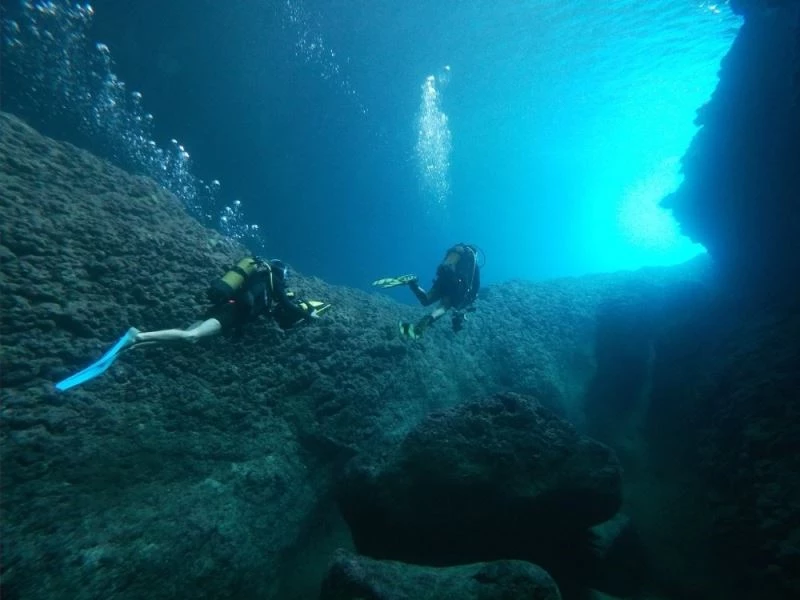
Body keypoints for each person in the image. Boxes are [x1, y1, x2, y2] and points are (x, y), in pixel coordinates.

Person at [55, 257, 328, 391]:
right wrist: (309, 316)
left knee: (185, 337)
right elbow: (286, 304)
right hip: (230, 312)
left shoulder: (258, 279)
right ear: (281, 272)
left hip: (227, 309)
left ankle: (133, 346)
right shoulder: (272, 280)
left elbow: (258, 306)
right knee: (192, 337)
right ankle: (136, 336)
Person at [374, 243, 481, 339]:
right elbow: (475, 286)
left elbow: (444, 266)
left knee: (426, 300)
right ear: (475, 254)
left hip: (443, 278)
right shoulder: (473, 263)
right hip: (455, 284)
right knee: (444, 307)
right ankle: (424, 323)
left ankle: (412, 283)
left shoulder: (458, 251)